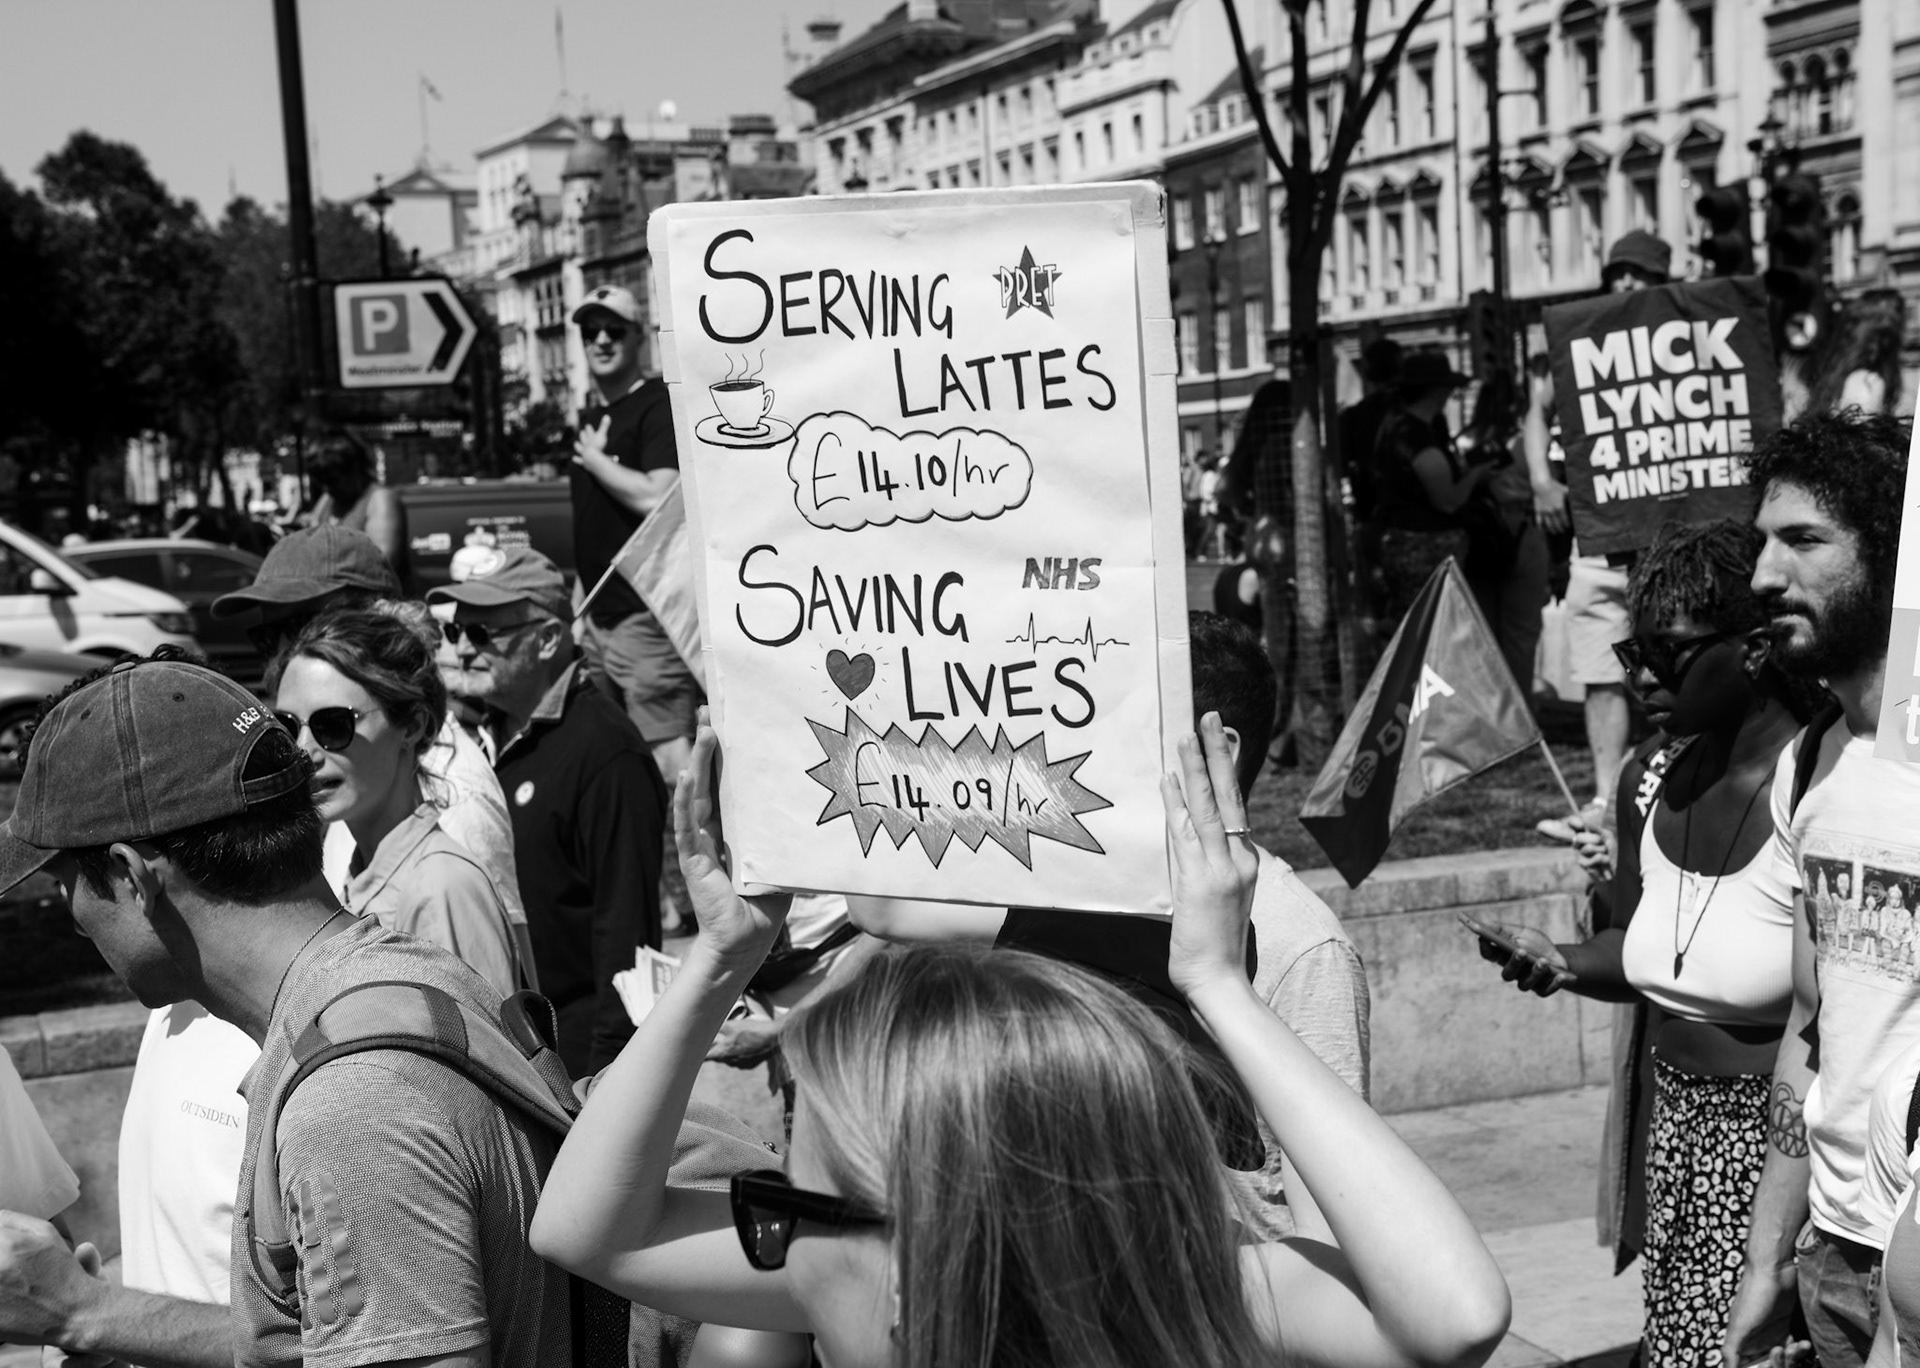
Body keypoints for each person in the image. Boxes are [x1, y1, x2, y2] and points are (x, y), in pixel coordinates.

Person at [528, 715, 1511, 1368]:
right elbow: (578, 1230)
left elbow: (1459, 1314)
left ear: (930, 1181)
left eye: (804, 1172)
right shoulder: (861, 1261)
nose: (785, 1191)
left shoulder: (871, 1272)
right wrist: (718, 961)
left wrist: (718, 966)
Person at [0, 652, 575, 1366]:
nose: (72, 916)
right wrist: (96, 1317)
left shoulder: (355, 1102)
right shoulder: (399, 980)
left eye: (65, 884)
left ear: (129, 874)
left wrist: (84, 1313)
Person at [844, 610, 1369, 1239]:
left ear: (1216, 751)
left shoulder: (1303, 948)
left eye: (1106, 719)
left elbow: (1335, 1233)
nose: (1060, 743)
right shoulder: (1084, 900)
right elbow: (880, 909)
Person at [1468, 519, 1810, 1366]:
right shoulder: (1649, 778)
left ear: (1757, 648)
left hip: (1780, 1160)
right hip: (1678, 1136)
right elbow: (1642, 945)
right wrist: (1561, 959)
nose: (1646, 676)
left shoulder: (1819, 784)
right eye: (1636, 654)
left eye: (1674, 652)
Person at [1721, 410, 1918, 1368]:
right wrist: (1769, 1262)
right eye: (1765, 542)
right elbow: (1812, 1018)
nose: (1763, 576)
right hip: (1835, 1252)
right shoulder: (1809, 764)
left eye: (1803, 541)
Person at [431, 544, 669, 1076]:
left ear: (546, 640)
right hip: (499, 1048)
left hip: (575, 1065)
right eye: (455, 632)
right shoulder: (473, 736)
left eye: (483, 633)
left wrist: (606, 1082)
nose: (463, 649)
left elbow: (627, 938)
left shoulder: (608, 752)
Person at [276, 608, 526, 995]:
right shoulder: (364, 871)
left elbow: (487, 1054)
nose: (304, 750)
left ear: (413, 725)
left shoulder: (439, 889)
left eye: (333, 725)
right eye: (288, 727)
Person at [1531, 229, 1673, 840]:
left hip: (1668, 542)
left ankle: (1673, 783)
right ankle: (1604, 794)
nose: (1623, 284)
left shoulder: (1683, 339)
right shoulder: (1578, 338)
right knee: (1600, 669)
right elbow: (1535, 411)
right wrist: (1541, 480)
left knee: (1675, 662)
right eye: (1616, 273)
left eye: (1636, 274)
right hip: (1596, 539)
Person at [570, 283, 700, 786]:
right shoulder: (590, 418)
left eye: (613, 330)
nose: (601, 340)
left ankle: (699, 857)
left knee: (671, 758)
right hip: (599, 620)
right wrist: (579, 610)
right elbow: (592, 524)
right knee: (612, 755)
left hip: (645, 615)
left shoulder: (656, 404)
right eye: (590, 332)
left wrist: (598, 461)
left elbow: (657, 497)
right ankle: (650, 854)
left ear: (638, 337)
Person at [1371, 351, 1510, 627]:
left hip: (1407, 545)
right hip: (1424, 550)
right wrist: (1476, 474)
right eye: (1447, 388)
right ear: (1436, 390)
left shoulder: (1399, 427)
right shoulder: (1413, 435)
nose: (1450, 395)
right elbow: (1448, 500)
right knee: (1430, 630)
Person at [303, 431, 407, 578]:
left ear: (355, 469)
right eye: (322, 481)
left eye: (333, 480)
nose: (327, 488)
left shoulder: (380, 499)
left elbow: (382, 567)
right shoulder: (327, 500)